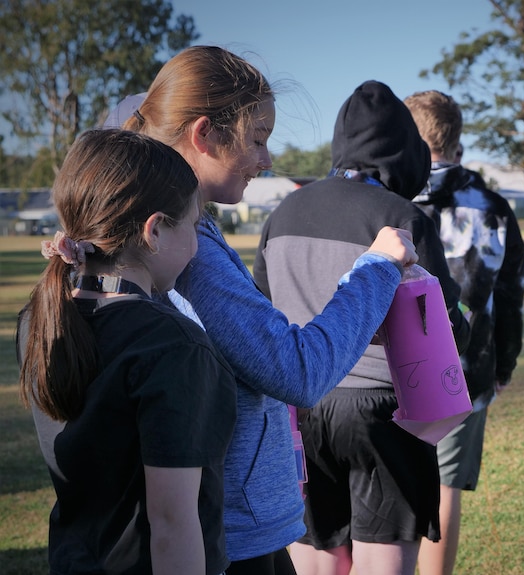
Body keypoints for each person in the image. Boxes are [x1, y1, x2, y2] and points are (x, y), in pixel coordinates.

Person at [120, 47, 420, 575]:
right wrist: (377, 267)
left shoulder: (189, 233)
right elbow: (297, 371)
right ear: (204, 134)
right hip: (234, 537)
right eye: (257, 139)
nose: (268, 159)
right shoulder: (191, 251)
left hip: (230, 523)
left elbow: (257, 343)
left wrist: (353, 325)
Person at [253, 80, 471, 575]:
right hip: (386, 411)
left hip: (303, 409)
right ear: (402, 150)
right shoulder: (402, 215)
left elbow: (261, 312)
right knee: (383, 562)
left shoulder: (282, 213)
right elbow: (446, 326)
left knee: (314, 562)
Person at [16, 128, 237, 575]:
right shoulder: (174, 345)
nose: (195, 246)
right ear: (154, 231)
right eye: (193, 227)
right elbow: (173, 524)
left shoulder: (39, 319)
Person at [404, 90, 524, 575]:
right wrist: (505, 365)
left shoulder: (383, 196)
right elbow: (512, 295)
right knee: (445, 488)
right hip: (465, 370)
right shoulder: (492, 205)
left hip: (387, 372)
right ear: (456, 139)